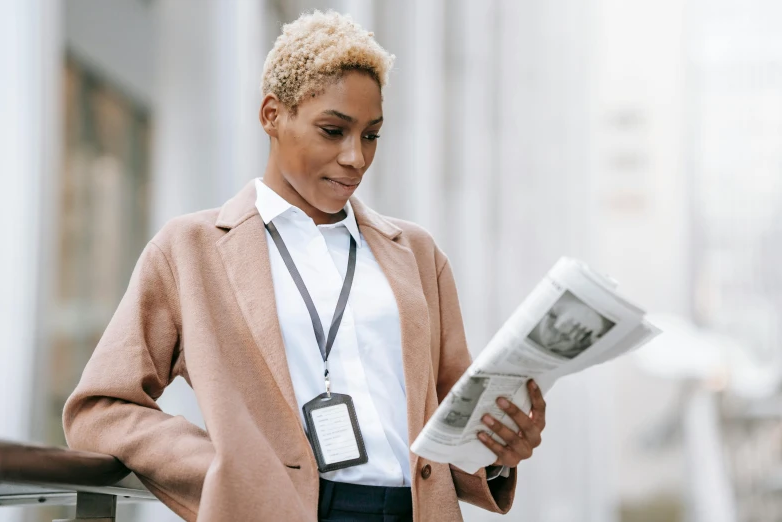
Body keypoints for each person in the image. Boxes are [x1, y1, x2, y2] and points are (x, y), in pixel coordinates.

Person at [62, 10, 547, 522]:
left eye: (371, 135)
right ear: (272, 114)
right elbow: (100, 409)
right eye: (333, 130)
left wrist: (496, 451)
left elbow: (449, 410)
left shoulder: (418, 254)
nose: (355, 157)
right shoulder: (191, 249)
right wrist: (226, 470)